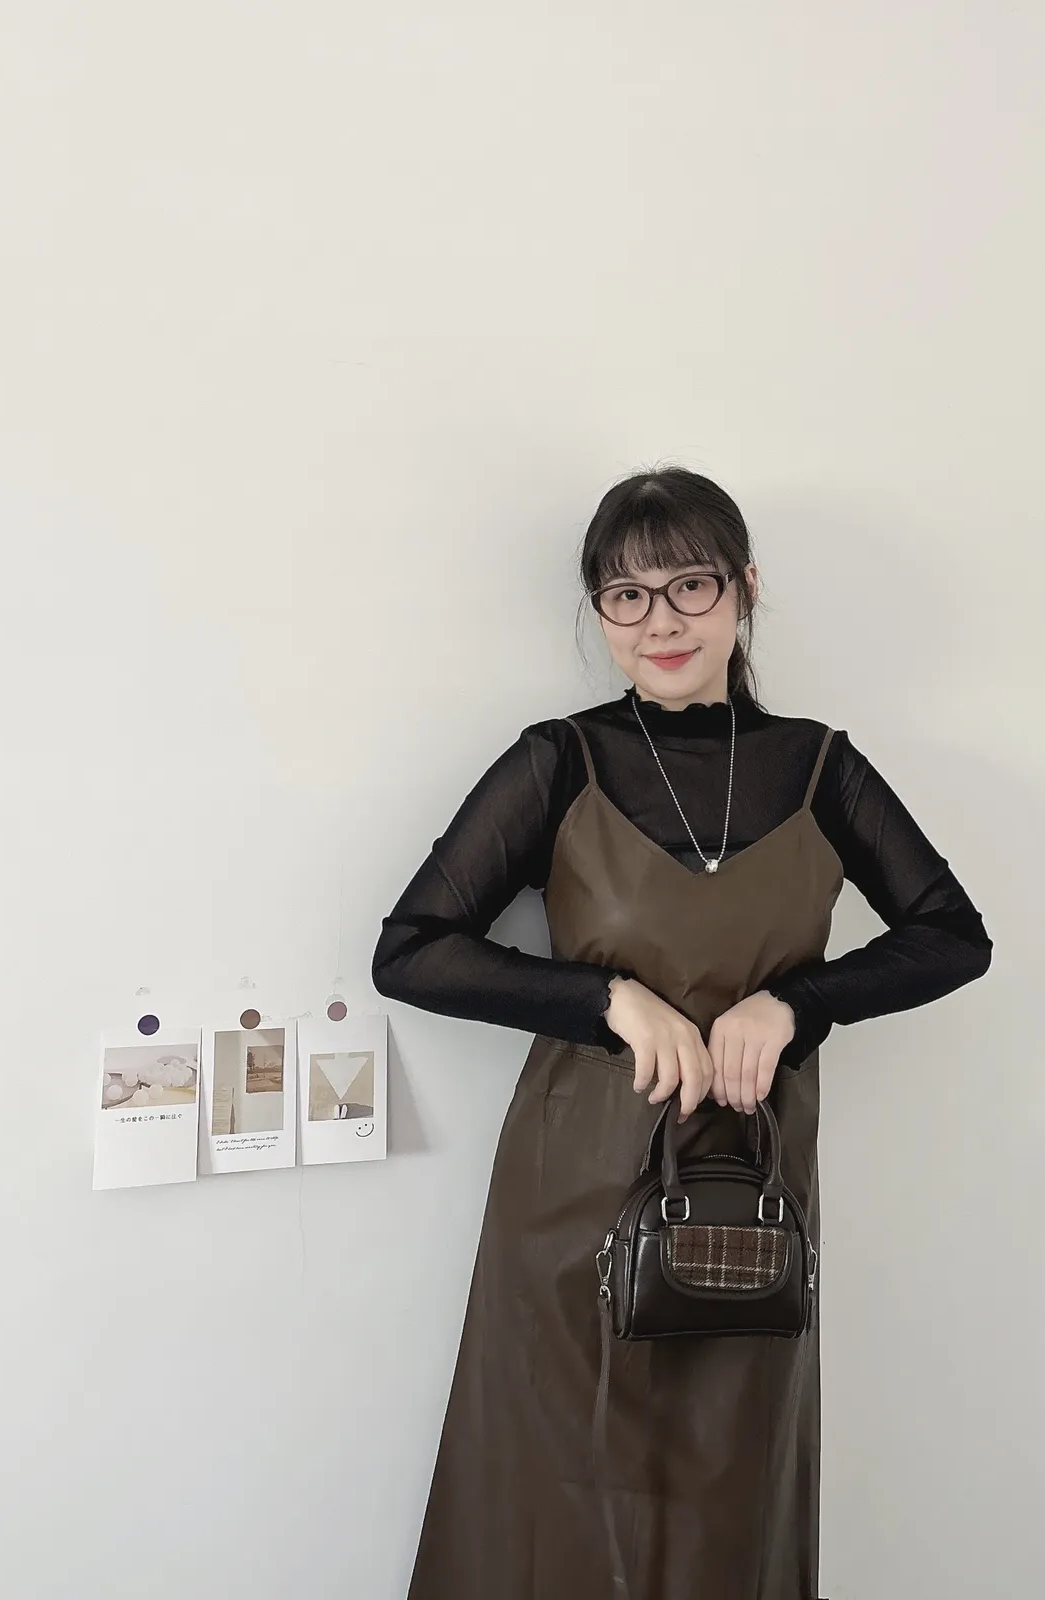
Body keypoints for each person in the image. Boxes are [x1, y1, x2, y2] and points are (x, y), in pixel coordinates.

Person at [372, 466, 992, 1600]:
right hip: (573, 1183)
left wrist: (798, 1002)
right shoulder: (558, 760)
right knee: (557, 1480)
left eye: (689, 586)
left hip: (750, 1185)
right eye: (626, 596)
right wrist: (603, 998)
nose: (659, 622)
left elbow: (953, 936)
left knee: (729, 1487)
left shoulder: (821, 766)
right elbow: (412, 949)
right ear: (600, 613)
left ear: (744, 587)